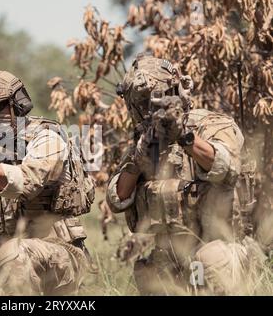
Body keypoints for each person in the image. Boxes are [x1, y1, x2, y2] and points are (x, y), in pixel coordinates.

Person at [106, 53, 265, 295]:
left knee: (209, 260)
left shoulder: (212, 124)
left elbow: (227, 165)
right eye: (144, 103)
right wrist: (140, 158)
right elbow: (117, 199)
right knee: (149, 271)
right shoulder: (144, 142)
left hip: (216, 245)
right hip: (168, 253)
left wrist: (184, 137)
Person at [0, 65, 96, 295]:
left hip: (60, 253)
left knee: (14, 251)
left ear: (18, 103)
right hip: (8, 250)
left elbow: (25, 181)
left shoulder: (46, 137)